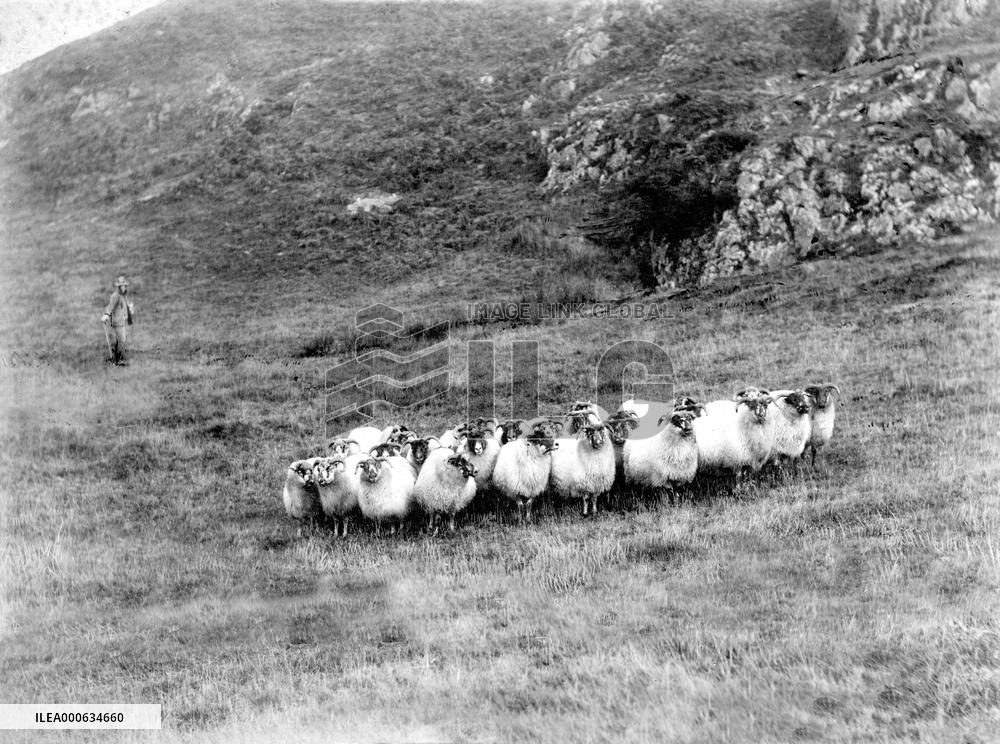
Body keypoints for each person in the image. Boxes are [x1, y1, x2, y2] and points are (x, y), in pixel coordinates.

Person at [101, 275, 135, 365]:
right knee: (122, 340)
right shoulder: (115, 296)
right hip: (117, 322)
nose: (124, 287)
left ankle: (117, 358)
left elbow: (125, 305)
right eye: (122, 286)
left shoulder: (123, 296)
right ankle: (118, 359)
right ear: (119, 287)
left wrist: (130, 308)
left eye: (125, 286)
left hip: (123, 321)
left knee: (121, 340)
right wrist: (106, 315)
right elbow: (110, 307)